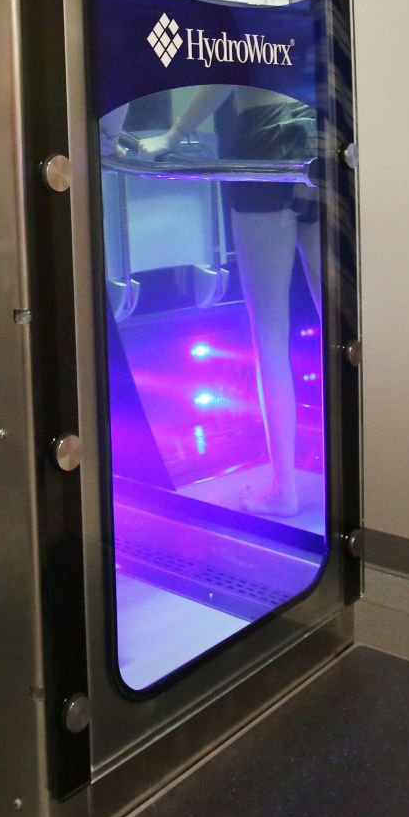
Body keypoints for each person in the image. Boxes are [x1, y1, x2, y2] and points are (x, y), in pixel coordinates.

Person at [139, 84, 322, 517]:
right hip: (322, 133)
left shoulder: (245, 9)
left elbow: (224, 72)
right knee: (342, 327)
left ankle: (284, 490)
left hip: (263, 135)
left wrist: (175, 133)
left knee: (270, 334)